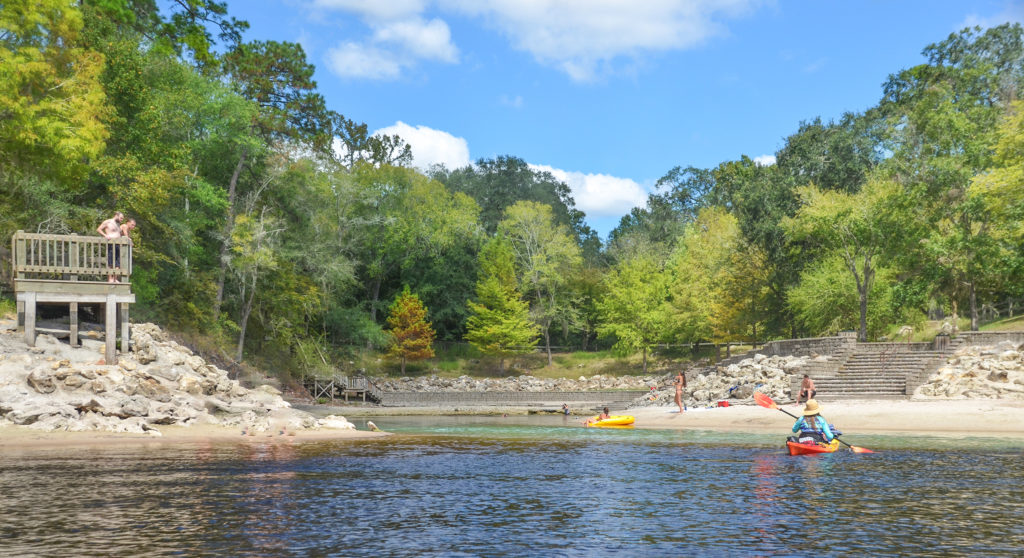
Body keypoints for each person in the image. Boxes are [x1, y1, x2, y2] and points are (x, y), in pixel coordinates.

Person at [96, 211, 124, 282]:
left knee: (118, 262)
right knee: (110, 261)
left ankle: (115, 278)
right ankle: (110, 278)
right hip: (111, 243)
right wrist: (105, 235)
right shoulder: (108, 222)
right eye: (121, 218)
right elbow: (98, 229)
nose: (121, 220)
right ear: (116, 215)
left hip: (118, 244)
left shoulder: (118, 224)